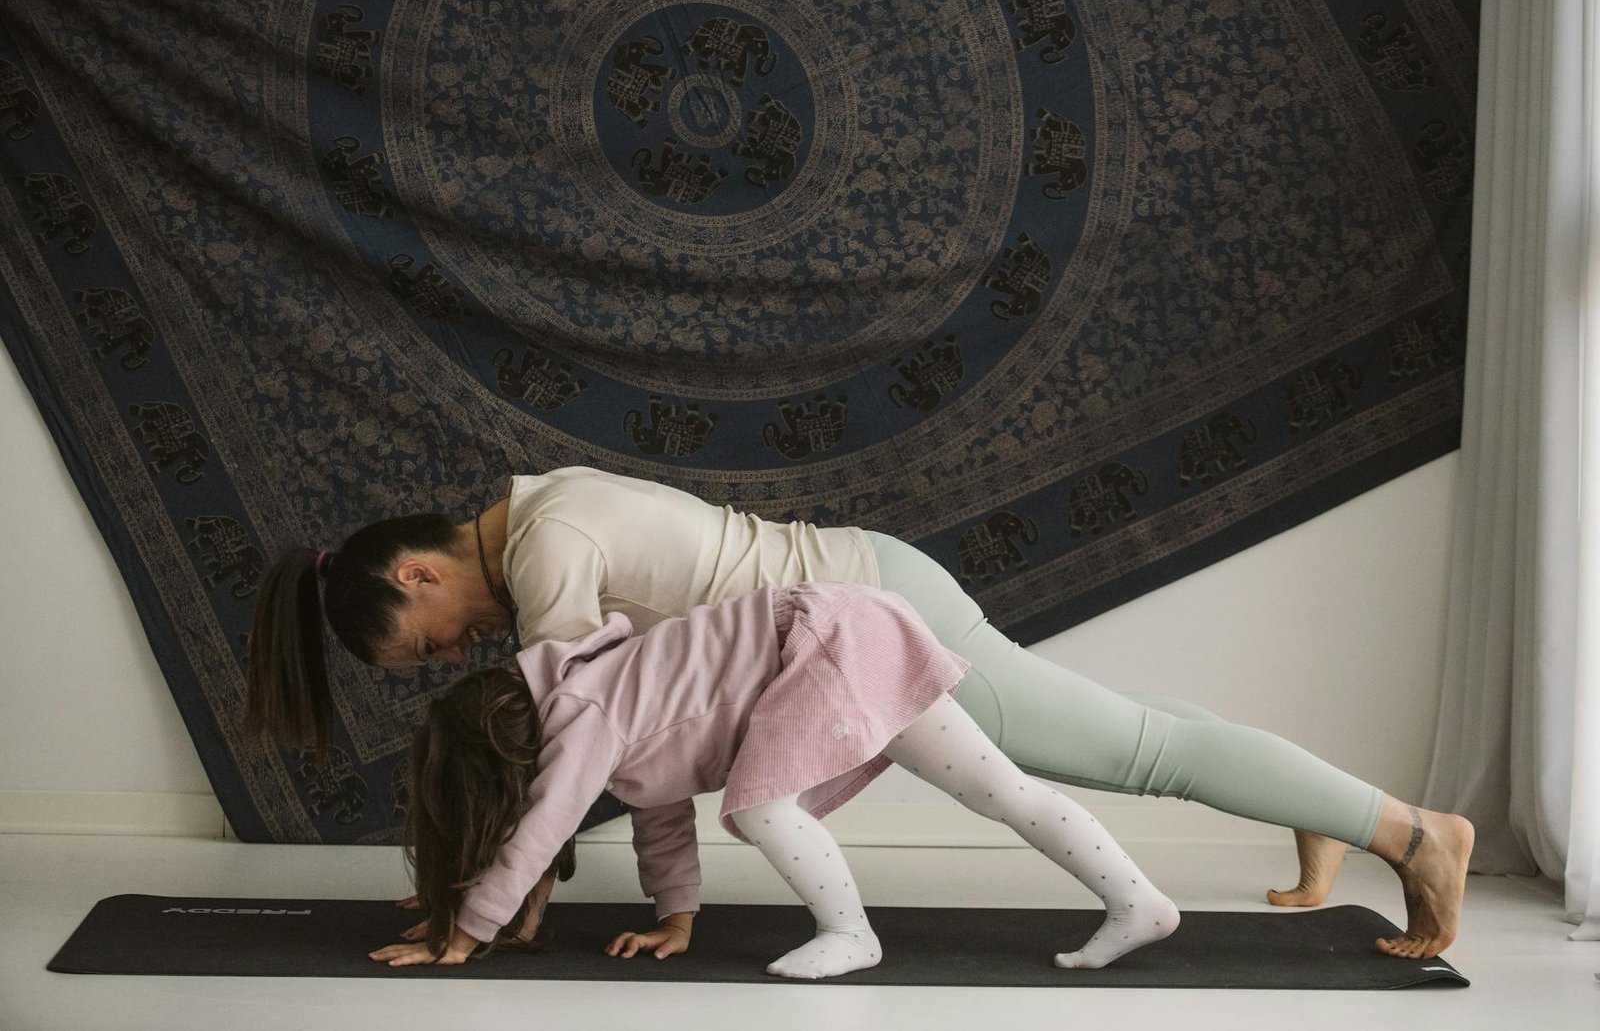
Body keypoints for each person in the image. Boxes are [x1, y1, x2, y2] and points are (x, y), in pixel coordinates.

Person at [249, 465, 1473, 960]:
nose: (454, 651)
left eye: (431, 636)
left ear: (416, 573)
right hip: (852, 599)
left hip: (856, 617)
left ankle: (1415, 835)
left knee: (1129, 750)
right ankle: (1328, 815)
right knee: (1130, 728)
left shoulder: (548, 553)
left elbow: (584, 757)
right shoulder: (542, 514)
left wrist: (483, 909)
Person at [368, 582, 1180, 975]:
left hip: (816, 640)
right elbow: (660, 809)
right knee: (1002, 790)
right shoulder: (614, 704)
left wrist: (466, 933)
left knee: (760, 807)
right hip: (848, 625)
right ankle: (1138, 901)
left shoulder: (582, 708)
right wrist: (676, 918)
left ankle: (850, 936)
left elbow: (547, 823)